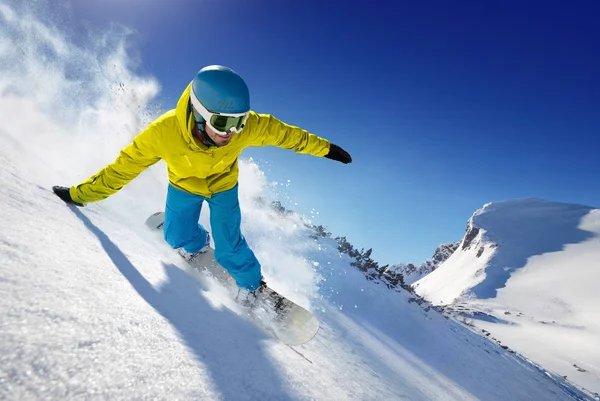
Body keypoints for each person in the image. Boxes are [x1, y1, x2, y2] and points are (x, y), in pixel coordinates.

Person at [53, 65, 352, 297]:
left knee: (229, 245)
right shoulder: (163, 133)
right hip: (183, 185)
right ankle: (194, 244)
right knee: (175, 237)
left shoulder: (244, 129)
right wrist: (80, 195)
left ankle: (252, 287)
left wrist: (326, 149)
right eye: (222, 122)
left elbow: (287, 135)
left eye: (240, 122)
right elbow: (122, 169)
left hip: (223, 185)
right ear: (199, 112)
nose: (231, 133)